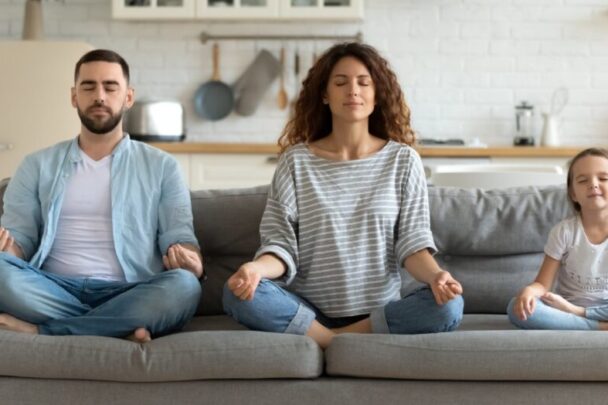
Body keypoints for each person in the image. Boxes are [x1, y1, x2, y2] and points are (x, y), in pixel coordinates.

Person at [222, 42, 464, 348]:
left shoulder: (403, 160)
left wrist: (437, 277)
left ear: (378, 95)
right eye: (340, 82)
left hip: (379, 311)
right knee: (236, 292)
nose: (353, 90)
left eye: (364, 83)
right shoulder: (296, 161)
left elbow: (413, 243)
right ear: (324, 94)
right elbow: (280, 244)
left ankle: (329, 341)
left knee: (450, 306)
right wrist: (255, 269)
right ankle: (335, 338)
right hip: (308, 309)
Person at [0, 49, 203, 342]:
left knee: (184, 286)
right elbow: (20, 238)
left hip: (130, 289)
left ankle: (43, 331)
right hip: (52, 287)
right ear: (74, 97)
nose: (99, 96)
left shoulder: (162, 167)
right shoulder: (36, 165)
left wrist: (192, 262)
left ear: (128, 97)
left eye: (110, 87)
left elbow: (179, 236)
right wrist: (10, 250)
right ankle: (117, 328)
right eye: (88, 86)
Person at [508, 147, 608, 330]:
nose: (593, 184)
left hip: (598, 310)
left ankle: (582, 317)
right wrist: (529, 291)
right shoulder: (564, 232)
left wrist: (580, 312)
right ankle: (599, 327)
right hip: (564, 309)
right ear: (573, 194)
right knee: (516, 308)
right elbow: (542, 284)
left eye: (603, 178)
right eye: (583, 180)